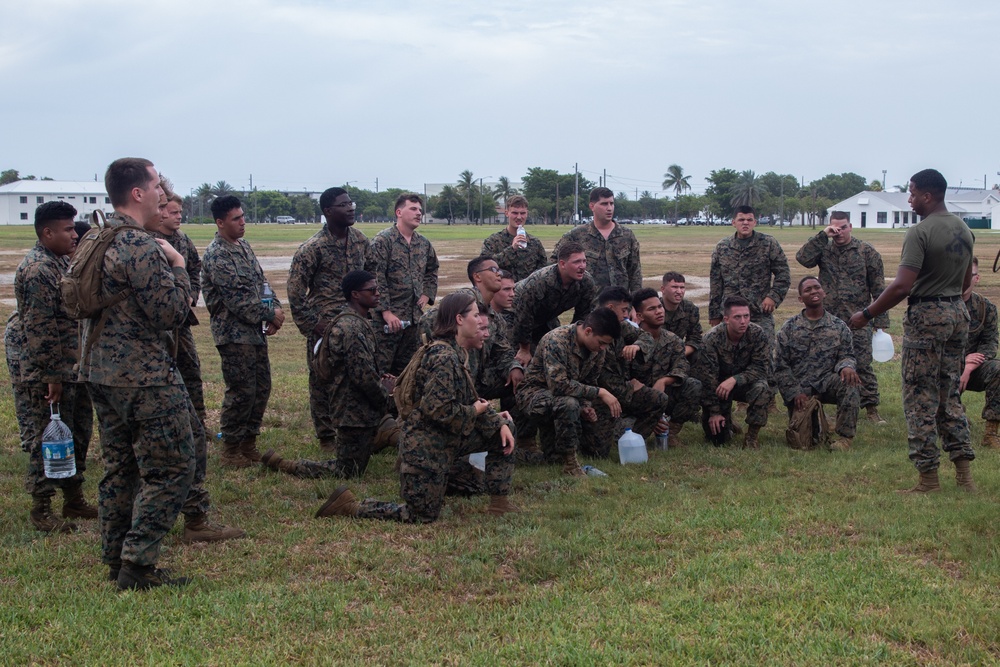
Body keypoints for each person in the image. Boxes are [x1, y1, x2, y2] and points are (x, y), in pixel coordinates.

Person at [80, 158, 195, 589]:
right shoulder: (140, 246)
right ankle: (137, 565)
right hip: (142, 375)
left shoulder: (96, 236)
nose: (162, 193)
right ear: (137, 194)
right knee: (173, 468)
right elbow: (170, 312)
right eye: (156, 185)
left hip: (100, 370)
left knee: (120, 467)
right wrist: (179, 266)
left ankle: (116, 559)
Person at [314, 292, 518, 523]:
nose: (481, 322)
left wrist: (494, 419)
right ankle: (349, 505)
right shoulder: (444, 357)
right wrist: (477, 412)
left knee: (504, 427)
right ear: (459, 320)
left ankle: (499, 504)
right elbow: (440, 411)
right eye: (474, 315)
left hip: (446, 439)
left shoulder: (458, 353)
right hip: (426, 449)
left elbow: (469, 398)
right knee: (421, 515)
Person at [849, 168, 976, 493]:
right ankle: (964, 476)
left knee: (919, 395)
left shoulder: (920, 232)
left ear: (927, 196)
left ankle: (928, 479)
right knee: (949, 393)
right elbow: (965, 283)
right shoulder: (963, 229)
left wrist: (867, 314)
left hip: (928, 315)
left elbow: (902, 286)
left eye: (912, 192)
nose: (909, 198)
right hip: (957, 314)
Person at [261, 270, 398, 479]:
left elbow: (363, 370)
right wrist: (385, 394)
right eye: (372, 290)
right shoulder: (352, 328)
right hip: (353, 414)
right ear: (355, 295)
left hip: (360, 411)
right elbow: (363, 377)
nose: (378, 294)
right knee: (348, 471)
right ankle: (287, 465)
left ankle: (379, 436)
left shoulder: (355, 321)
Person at [14, 201, 96, 533]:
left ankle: (73, 498)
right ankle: (41, 507)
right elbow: (40, 327)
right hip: (48, 372)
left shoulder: (59, 261)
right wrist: (51, 375)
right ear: (47, 232)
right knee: (46, 439)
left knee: (77, 434)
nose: (74, 234)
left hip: (71, 367)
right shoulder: (37, 270)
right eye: (67, 229)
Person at [202, 195, 285, 468]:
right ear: (220, 222)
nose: (242, 222)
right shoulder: (217, 254)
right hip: (233, 334)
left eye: (243, 216)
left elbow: (262, 284)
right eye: (236, 218)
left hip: (254, 333)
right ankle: (231, 449)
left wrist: (274, 306)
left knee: (261, 388)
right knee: (241, 391)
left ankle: (249, 443)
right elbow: (237, 300)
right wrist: (269, 314)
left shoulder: (244, 247)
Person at [287, 187, 370, 452]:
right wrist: (313, 323)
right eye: (343, 205)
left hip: (356, 325)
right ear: (328, 211)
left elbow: (372, 280)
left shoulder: (360, 241)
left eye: (351, 203)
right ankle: (326, 437)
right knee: (322, 379)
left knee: (354, 378)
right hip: (326, 326)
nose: (350, 208)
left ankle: (354, 431)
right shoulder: (313, 248)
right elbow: (295, 290)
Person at [796, 210, 889, 424]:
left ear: (851, 226)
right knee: (822, 363)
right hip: (827, 319)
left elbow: (878, 288)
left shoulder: (866, 251)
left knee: (862, 363)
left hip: (857, 318)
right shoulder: (824, 249)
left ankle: (871, 408)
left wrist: (880, 321)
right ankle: (821, 404)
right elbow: (803, 258)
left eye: (843, 227)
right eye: (835, 228)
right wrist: (822, 235)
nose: (839, 232)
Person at [515, 307, 624, 476]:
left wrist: (586, 406)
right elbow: (558, 385)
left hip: (566, 398)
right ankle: (570, 464)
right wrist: (599, 392)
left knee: (588, 451)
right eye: (602, 343)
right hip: (535, 395)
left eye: (606, 344)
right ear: (588, 331)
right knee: (569, 403)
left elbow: (589, 381)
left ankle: (565, 451)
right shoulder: (557, 340)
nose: (603, 348)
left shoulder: (597, 349)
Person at [773, 277, 860, 451]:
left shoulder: (839, 326)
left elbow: (846, 355)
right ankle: (816, 420)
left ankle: (844, 438)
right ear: (800, 299)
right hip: (800, 387)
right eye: (807, 290)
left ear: (823, 292)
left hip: (826, 382)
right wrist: (794, 392)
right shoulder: (789, 328)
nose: (813, 291)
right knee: (806, 440)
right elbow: (780, 366)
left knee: (850, 382)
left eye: (817, 287)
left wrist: (847, 366)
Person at [154, 180, 208, 439]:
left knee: (190, 368)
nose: (177, 217)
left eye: (178, 212)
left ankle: (198, 422)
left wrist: (191, 295)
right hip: (160, 320)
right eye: (172, 212)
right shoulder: (151, 240)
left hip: (181, 318)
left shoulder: (182, 240)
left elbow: (195, 268)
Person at [366, 193, 439, 375]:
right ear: (399, 212)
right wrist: (386, 311)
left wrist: (427, 294)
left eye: (420, 210)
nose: (418, 214)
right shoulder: (383, 241)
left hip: (414, 318)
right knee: (381, 370)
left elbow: (432, 269)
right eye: (413, 209)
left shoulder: (422, 244)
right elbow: (375, 277)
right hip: (387, 321)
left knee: (408, 371)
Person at [693, 295, 772, 448]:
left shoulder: (758, 334)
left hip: (744, 384)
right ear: (726, 319)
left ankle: (751, 436)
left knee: (762, 388)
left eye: (746, 316)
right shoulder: (711, 339)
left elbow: (760, 368)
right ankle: (726, 419)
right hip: (719, 388)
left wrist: (735, 379)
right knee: (717, 439)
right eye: (737, 317)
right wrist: (714, 412)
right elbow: (707, 379)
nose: (743, 321)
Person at [631, 287, 703, 448]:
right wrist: (653, 411)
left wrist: (664, 380)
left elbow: (682, 367)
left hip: (664, 395)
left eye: (659, 307)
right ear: (639, 316)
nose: (659, 311)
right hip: (636, 400)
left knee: (693, 386)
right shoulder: (629, 341)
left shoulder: (672, 339)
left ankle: (670, 433)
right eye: (652, 309)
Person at [708, 205, 790, 343]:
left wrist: (773, 297)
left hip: (758, 311)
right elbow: (716, 283)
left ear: (755, 222)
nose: (745, 223)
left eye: (749, 219)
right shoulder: (723, 247)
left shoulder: (768, 244)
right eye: (741, 219)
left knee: (765, 353)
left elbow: (783, 274)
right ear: (733, 222)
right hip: (729, 312)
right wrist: (715, 313)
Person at [511, 241, 596, 367]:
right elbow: (524, 316)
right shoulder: (539, 282)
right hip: (514, 314)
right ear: (562, 264)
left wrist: (573, 344)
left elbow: (582, 316)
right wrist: (524, 349)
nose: (582, 266)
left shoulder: (586, 282)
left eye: (584, 261)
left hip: (546, 316)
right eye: (576, 262)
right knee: (519, 358)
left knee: (555, 348)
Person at [550, 187, 642, 293]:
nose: (609, 208)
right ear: (592, 206)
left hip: (620, 303)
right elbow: (554, 264)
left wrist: (637, 303)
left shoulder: (627, 235)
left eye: (611, 203)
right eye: (604, 204)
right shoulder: (577, 235)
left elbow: (635, 273)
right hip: (590, 305)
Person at [959, 257, 1000, 449]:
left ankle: (991, 433)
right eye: (960, 275)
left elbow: (990, 344)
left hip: (973, 369)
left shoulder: (986, 308)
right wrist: (961, 361)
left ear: (977, 279)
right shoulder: (941, 306)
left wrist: (969, 366)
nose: (964, 280)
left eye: (970, 275)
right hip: (943, 368)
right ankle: (956, 414)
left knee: (998, 370)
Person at [480, 195, 548, 282]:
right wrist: (512, 250)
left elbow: (542, 273)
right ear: (507, 213)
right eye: (515, 213)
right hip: (502, 293)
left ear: (527, 213)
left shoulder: (535, 243)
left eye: (522, 213)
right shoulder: (493, 241)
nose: (519, 217)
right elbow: (485, 267)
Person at [660, 271, 703, 360]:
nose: (679, 291)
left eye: (682, 287)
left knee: (701, 353)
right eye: (674, 287)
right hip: (655, 354)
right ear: (663, 289)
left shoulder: (690, 308)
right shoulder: (653, 308)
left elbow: (695, 337)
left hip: (679, 353)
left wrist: (680, 354)